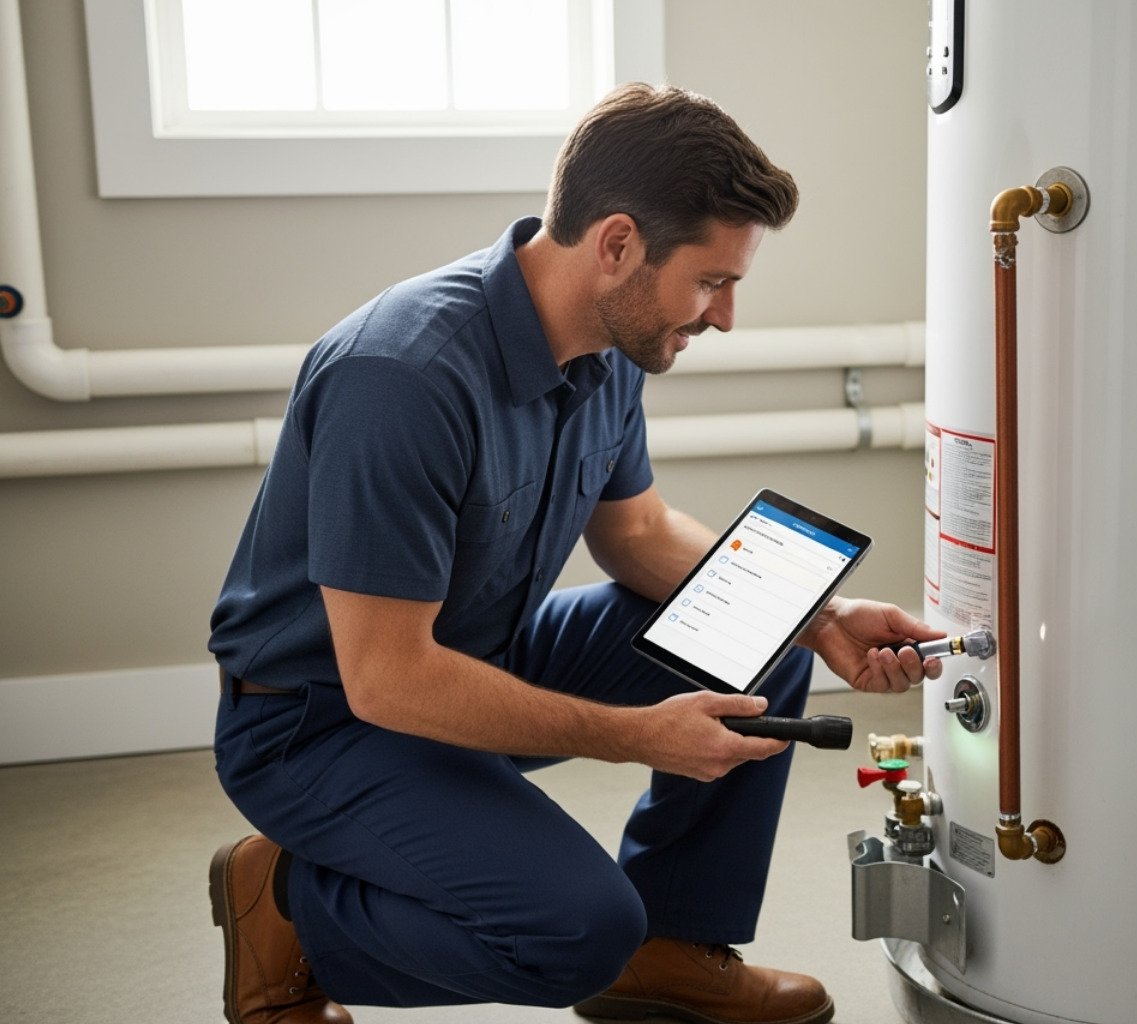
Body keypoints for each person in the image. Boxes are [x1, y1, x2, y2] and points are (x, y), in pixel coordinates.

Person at [206, 82, 944, 1024]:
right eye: (711, 282)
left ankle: (672, 947)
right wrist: (639, 734)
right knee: (577, 935)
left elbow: (636, 534)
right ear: (618, 244)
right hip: (322, 721)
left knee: (760, 645)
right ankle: (289, 914)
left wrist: (818, 618)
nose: (724, 316)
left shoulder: (607, 348)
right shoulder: (401, 377)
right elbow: (387, 679)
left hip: (478, 650)